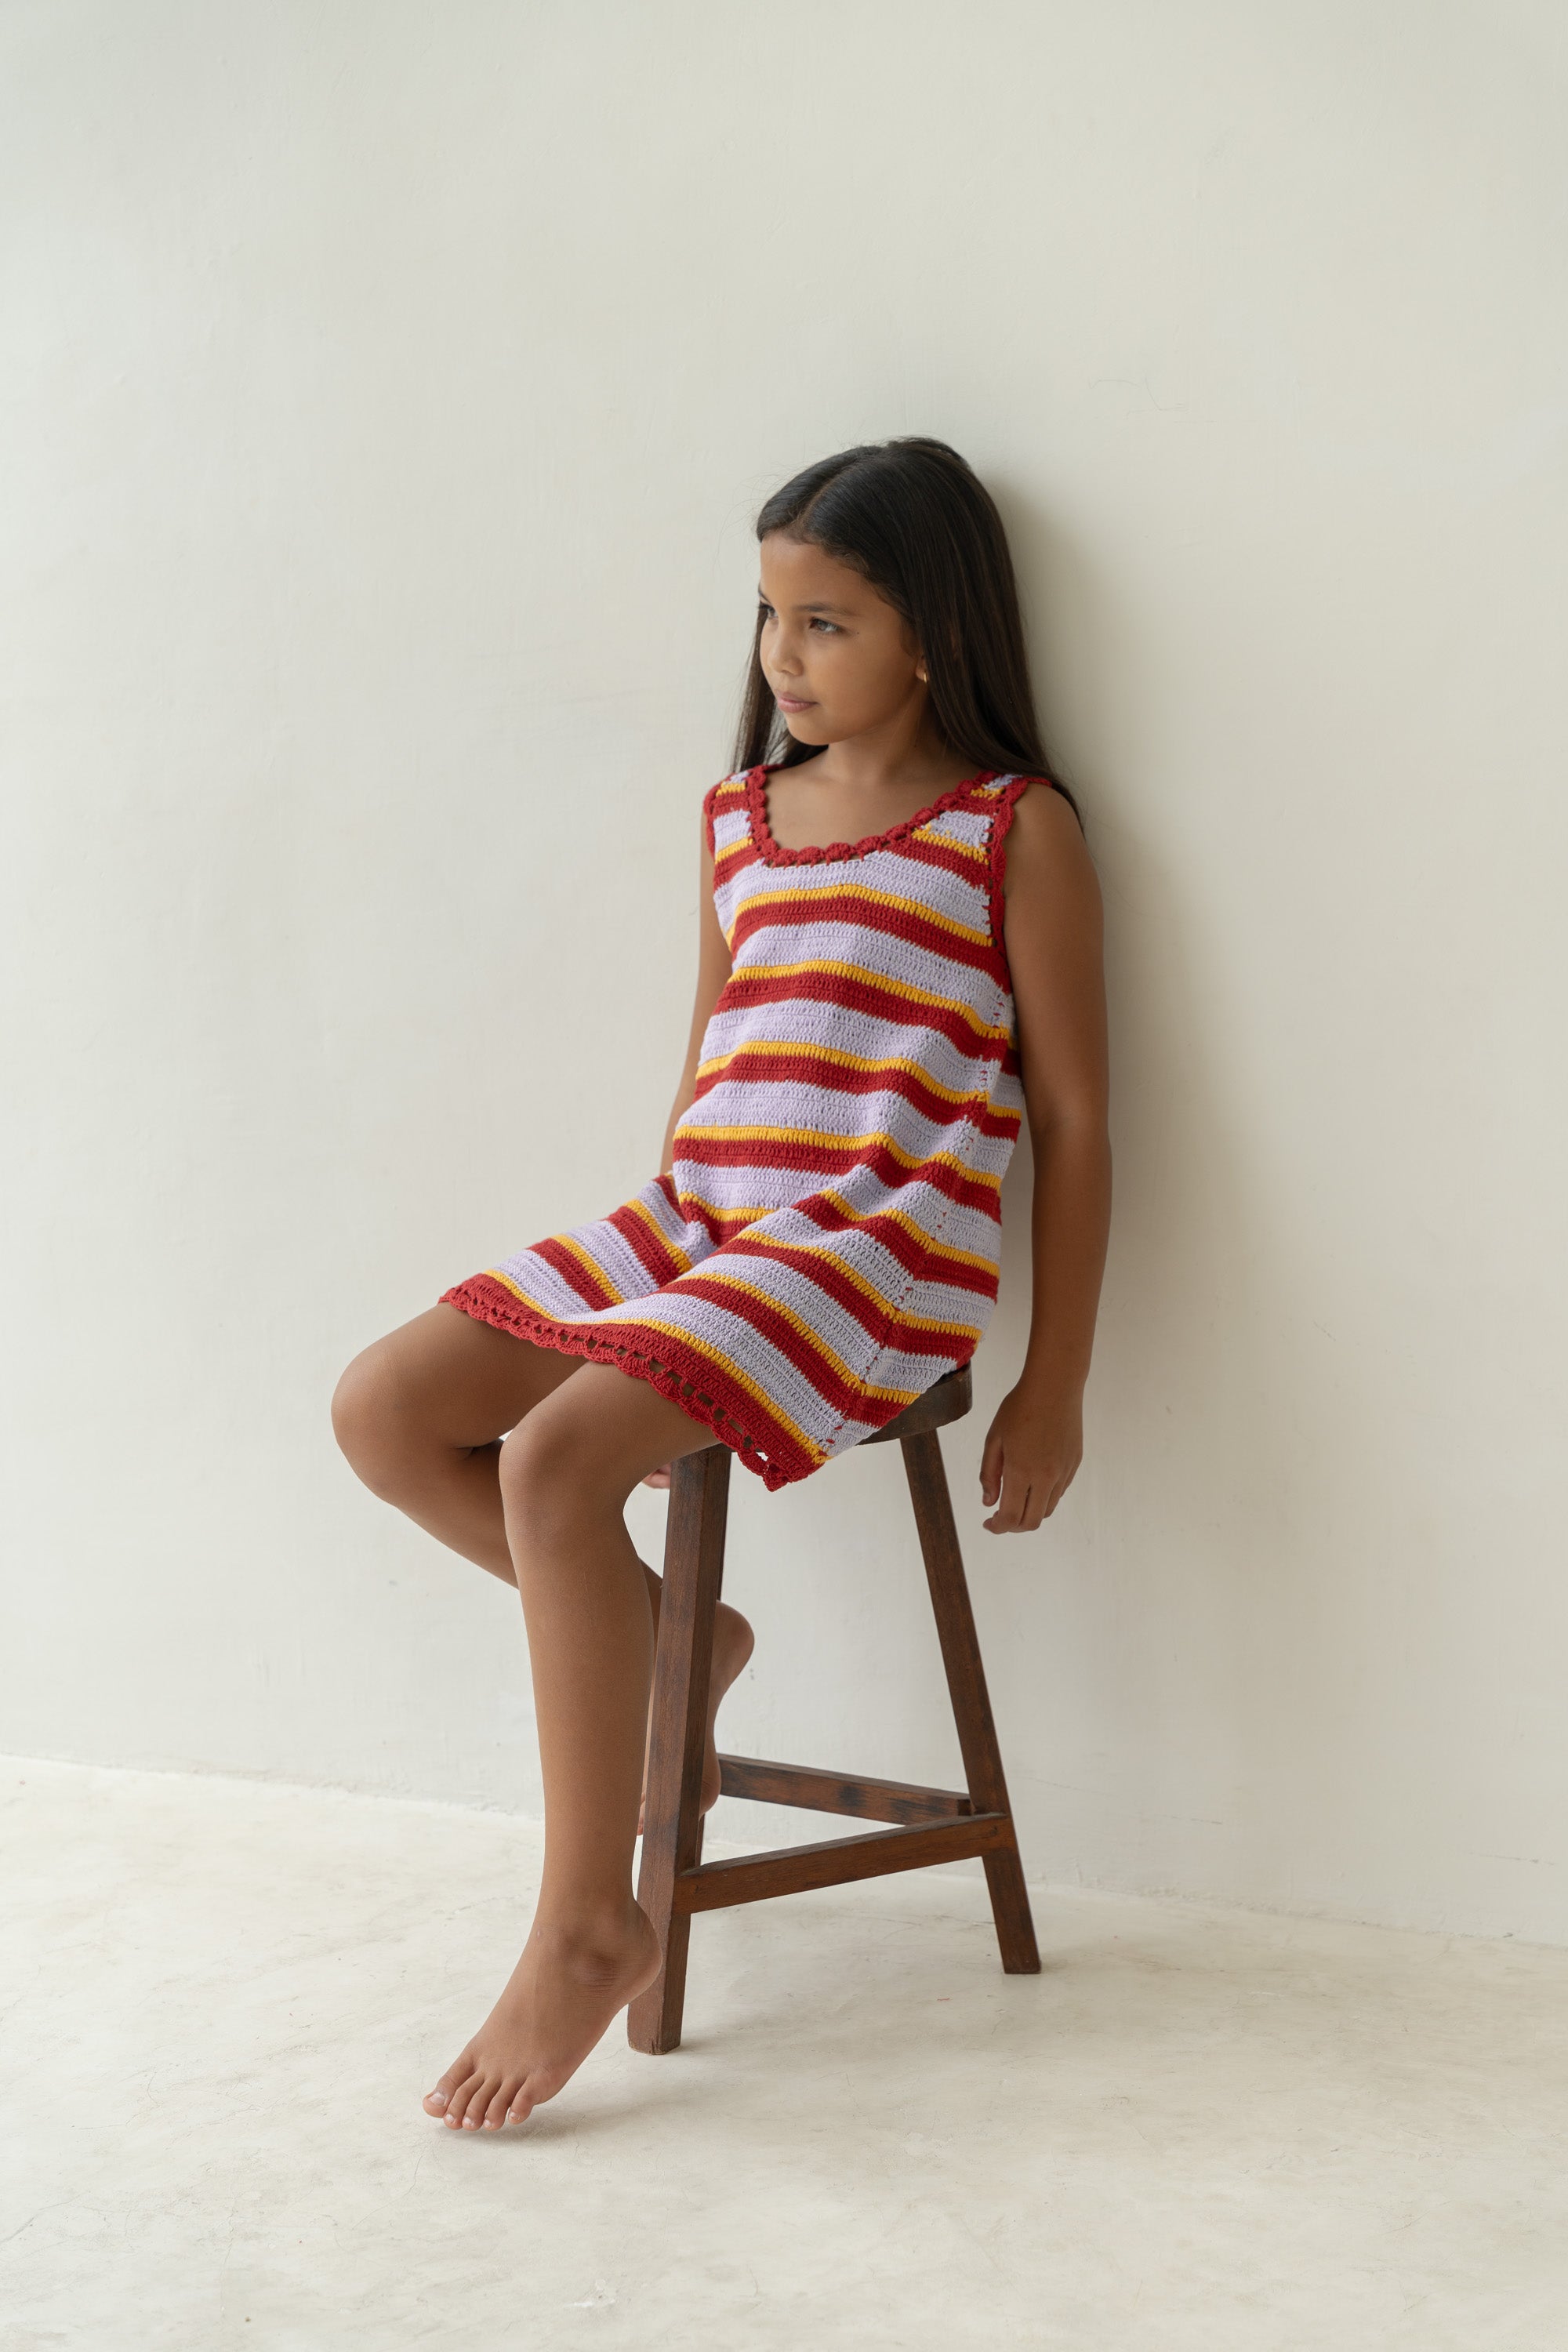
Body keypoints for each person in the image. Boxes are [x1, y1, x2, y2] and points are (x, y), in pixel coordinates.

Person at [332, 436, 1111, 2132]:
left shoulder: (1007, 830)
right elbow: (714, 1071)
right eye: (770, 616)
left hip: (874, 1245)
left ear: (933, 635)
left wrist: (1054, 1377)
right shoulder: (738, 818)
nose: (781, 657)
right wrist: (652, 1262)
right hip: (710, 1215)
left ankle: (584, 1919)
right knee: (385, 1407)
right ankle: (687, 1643)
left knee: (550, 1463)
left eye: (825, 621)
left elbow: (1071, 1117)